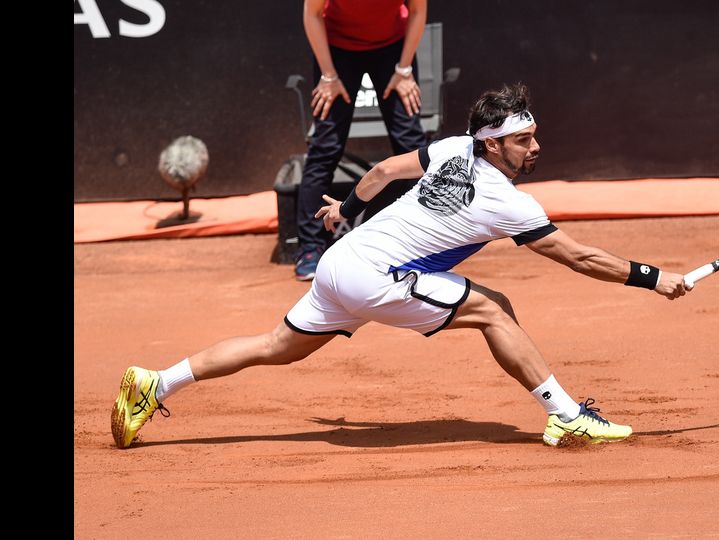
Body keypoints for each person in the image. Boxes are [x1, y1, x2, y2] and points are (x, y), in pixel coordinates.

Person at [111, 83, 689, 450]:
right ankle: (564, 415)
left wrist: (349, 212)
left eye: (535, 136)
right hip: (374, 276)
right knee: (493, 310)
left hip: (341, 263)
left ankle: (155, 382)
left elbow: (384, 171)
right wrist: (652, 277)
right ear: (492, 145)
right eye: (522, 140)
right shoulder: (509, 200)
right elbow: (578, 256)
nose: (534, 147)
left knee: (274, 346)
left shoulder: (451, 149)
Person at [295, 0, 429, 281]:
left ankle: (426, 239)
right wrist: (328, 75)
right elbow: (312, 14)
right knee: (326, 146)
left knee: (412, 146)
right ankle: (310, 248)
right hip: (337, 50)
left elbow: (417, 11)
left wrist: (404, 71)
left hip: (392, 50)